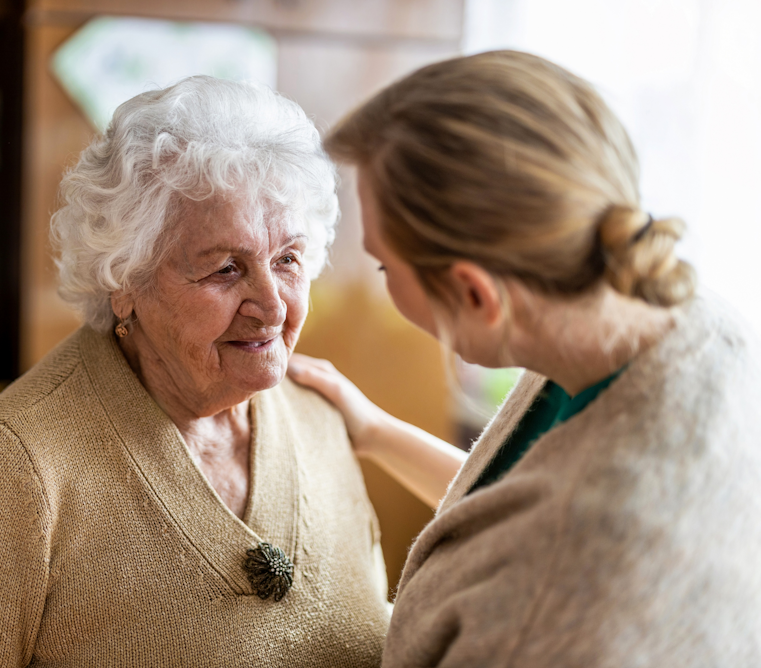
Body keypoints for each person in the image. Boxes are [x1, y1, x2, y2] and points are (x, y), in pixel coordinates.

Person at [288, 50, 761, 667]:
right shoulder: (673, 316)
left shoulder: (557, 596)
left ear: (475, 293)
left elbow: (547, 545)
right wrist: (374, 431)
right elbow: (518, 503)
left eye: (383, 265)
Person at [0, 76, 390, 666]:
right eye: (226, 269)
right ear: (124, 281)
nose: (273, 306)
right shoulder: (18, 464)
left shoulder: (321, 418)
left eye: (288, 260)